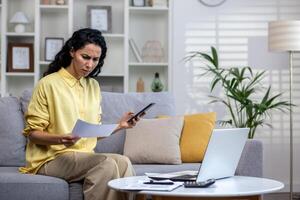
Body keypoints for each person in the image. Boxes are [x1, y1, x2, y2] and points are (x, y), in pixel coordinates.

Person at [19, 28, 137, 200]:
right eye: (85, 57)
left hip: (83, 157)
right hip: (51, 158)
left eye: (95, 59)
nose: (89, 65)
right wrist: (61, 138)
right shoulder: (48, 84)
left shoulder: (93, 87)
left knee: (123, 161)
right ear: (72, 51)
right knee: (106, 163)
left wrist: (121, 126)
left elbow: (91, 134)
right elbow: (33, 135)